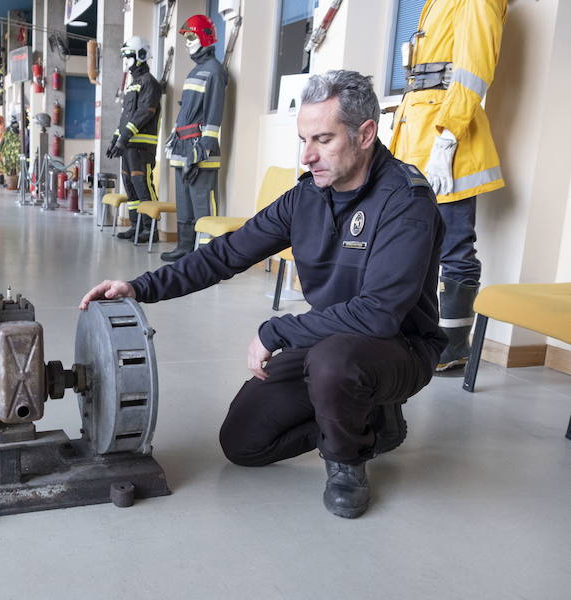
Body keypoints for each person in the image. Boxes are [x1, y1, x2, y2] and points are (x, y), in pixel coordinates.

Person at [80, 71, 446, 519]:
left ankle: (347, 460)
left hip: (398, 349)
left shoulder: (405, 201)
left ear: (365, 133)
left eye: (323, 139)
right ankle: (372, 419)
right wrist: (140, 287)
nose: (308, 156)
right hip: (328, 340)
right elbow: (228, 253)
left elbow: (379, 315)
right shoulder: (308, 195)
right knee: (244, 443)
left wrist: (277, 331)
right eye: (303, 139)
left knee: (335, 363)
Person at [389, 0, 507, 371]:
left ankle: (453, 346)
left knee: (454, 245)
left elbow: (473, 70)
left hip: (446, 140)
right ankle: (422, 335)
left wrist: (449, 135)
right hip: (417, 136)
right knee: (415, 245)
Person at [162, 14, 228, 262]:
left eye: (191, 37)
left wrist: (204, 147)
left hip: (200, 149)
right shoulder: (196, 70)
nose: (188, 42)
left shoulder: (214, 71)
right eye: (186, 38)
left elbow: (214, 111)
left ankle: (207, 256)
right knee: (184, 201)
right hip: (182, 146)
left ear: (205, 37)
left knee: (203, 203)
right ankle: (185, 247)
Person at [107, 36, 162, 243]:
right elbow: (126, 115)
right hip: (128, 145)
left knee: (143, 185)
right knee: (130, 185)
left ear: (140, 55)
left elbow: (145, 112)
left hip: (142, 146)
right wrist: (115, 139)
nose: (126, 61)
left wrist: (124, 138)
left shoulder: (150, 83)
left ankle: (151, 229)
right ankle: (136, 226)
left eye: (129, 56)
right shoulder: (133, 85)